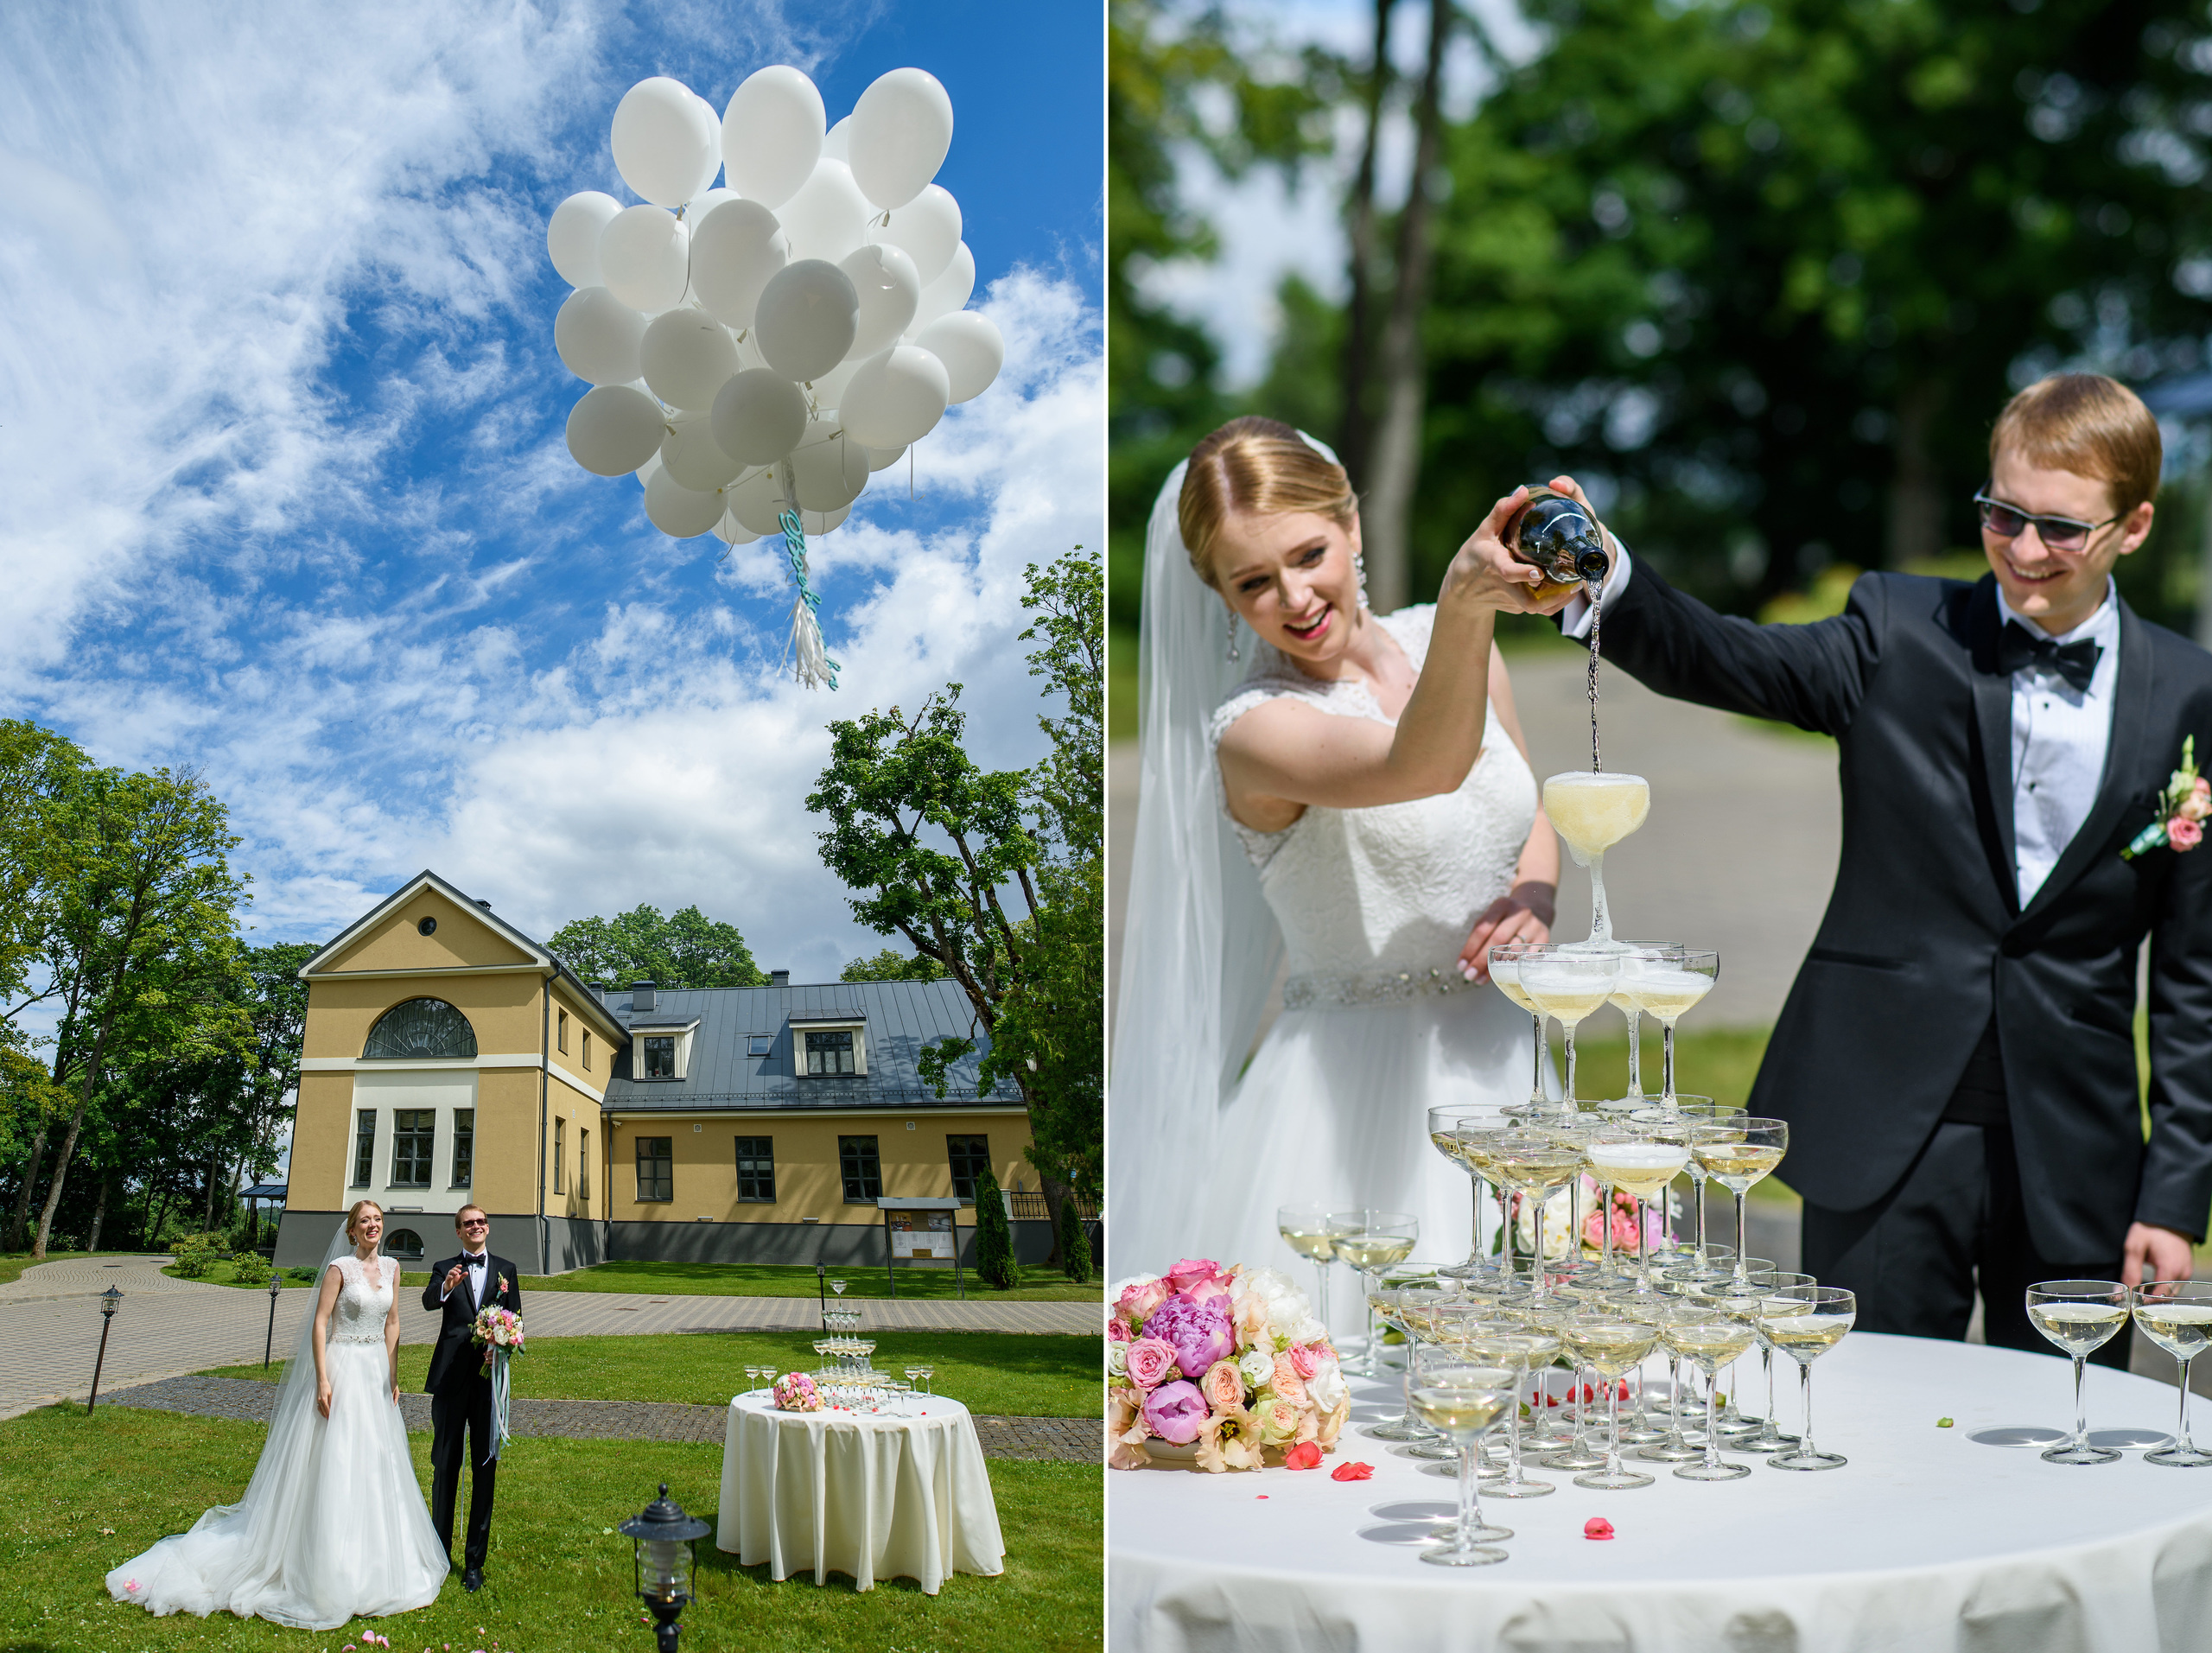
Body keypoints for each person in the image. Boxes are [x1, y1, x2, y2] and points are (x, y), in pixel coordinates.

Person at [1478, 373, 2212, 1364]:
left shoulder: (2190, 694)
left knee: (2061, 1440)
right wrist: (1604, 574)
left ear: (2134, 526)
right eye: (2002, 514)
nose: (2025, 550)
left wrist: (2173, 1193)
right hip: (1882, 1123)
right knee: (1866, 1423)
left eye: (2060, 528)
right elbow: (1727, 657)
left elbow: (2193, 981)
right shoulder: (1896, 631)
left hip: (2075, 1155)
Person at [1108, 416, 1562, 1311]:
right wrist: (1472, 607)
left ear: (1351, 524)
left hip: (1507, 1066)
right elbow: (1421, 766)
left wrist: (1534, 894)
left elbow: (1520, 795)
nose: (1295, 596)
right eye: (1253, 581)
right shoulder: (1254, 730)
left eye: (1309, 553)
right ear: (1223, 597)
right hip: (1350, 1107)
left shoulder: (1446, 636)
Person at [106, 1200, 449, 1629]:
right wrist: (324, 1379)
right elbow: (321, 1323)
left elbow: (393, 1322)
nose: (373, 1226)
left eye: (378, 1220)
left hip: (375, 1376)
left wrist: (393, 1373)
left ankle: (377, 1558)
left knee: (376, 1461)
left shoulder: (395, 1268)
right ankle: (321, 1559)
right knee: (334, 1458)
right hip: (342, 1368)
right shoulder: (340, 1269)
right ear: (352, 1230)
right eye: (365, 1221)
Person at [422, 1205, 521, 1590]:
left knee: (485, 1467)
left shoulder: (505, 1270)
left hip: (486, 1383)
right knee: (445, 1466)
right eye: (468, 1224)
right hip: (450, 1380)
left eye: (480, 1222)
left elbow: (516, 1319)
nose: (475, 1227)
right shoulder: (445, 1266)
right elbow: (429, 1301)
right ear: (458, 1231)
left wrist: (505, 1344)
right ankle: (439, 1554)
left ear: (488, 1228)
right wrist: (446, 1286)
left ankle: (475, 1562)